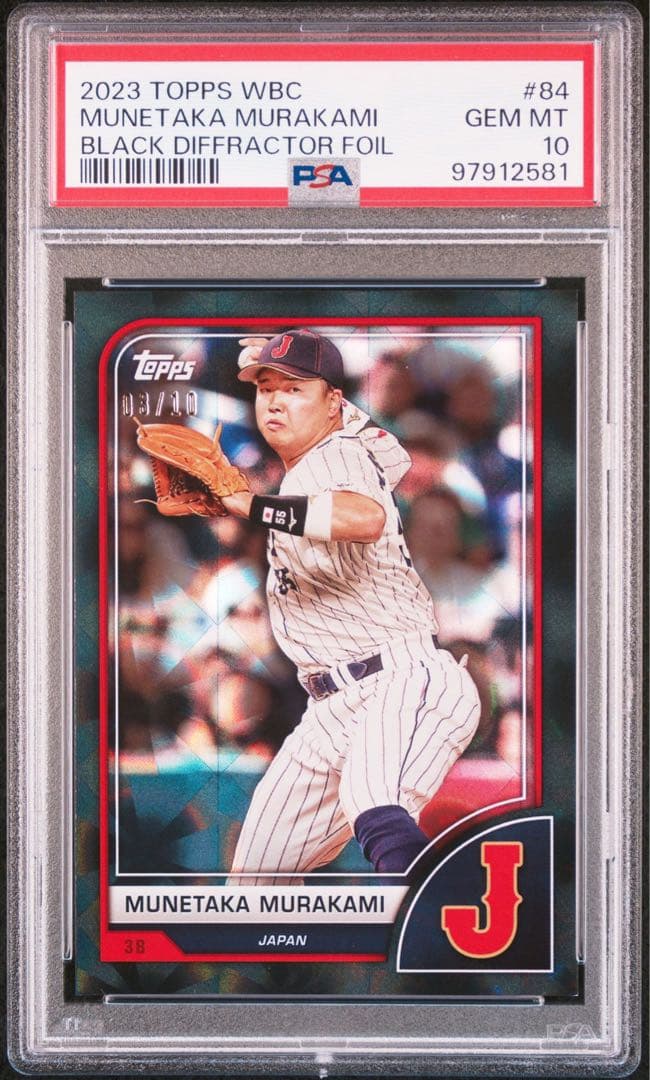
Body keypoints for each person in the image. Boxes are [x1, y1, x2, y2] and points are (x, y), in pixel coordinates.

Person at [218, 328, 481, 883]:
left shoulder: (333, 456)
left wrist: (255, 506)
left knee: (374, 802)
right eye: (266, 389)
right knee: (254, 879)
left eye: (293, 389)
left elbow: (366, 519)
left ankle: (443, 923)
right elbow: (393, 454)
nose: (274, 402)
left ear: (332, 402)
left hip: (399, 679)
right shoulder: (345, 447)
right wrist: (309, 387)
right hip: (329, 706)